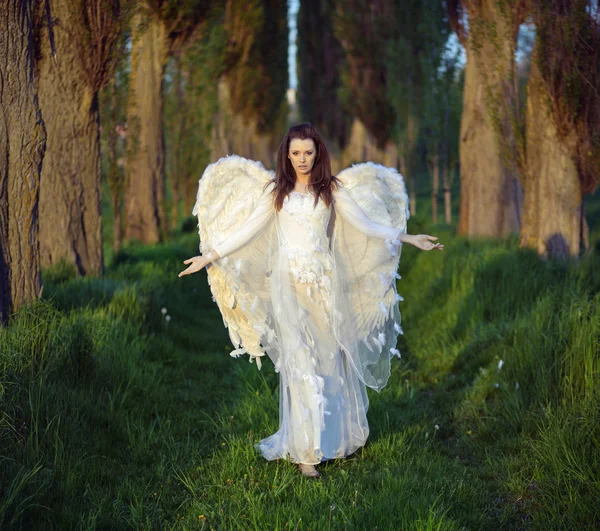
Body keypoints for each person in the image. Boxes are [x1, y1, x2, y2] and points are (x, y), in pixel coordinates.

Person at [179, 123, 443, 478]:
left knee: (328, 361)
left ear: (317, 153)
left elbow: (365, 225)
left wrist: (408, 237)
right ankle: (305, 453)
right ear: (286, 156)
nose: (302, 160)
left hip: (324, 287)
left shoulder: (331, 190)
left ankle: (330, 440)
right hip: (289, 288)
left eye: (308, 152)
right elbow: (247, 232)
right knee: (300, 362)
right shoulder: (277, 193)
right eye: (295, 153)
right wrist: (208, 256)